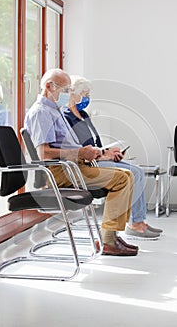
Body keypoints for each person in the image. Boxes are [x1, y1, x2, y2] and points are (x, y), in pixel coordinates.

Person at [24, 68, 138, 256]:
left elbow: (68, 148)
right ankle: (108, 239)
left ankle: (111, 236)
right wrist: (80, 152)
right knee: (122, 179)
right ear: (49, 86)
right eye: (65, 89)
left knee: (126, 174)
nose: (68, 95)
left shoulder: (54, 111)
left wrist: (94, 153)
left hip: (73, 166)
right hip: (61, 172)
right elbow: (43, 152)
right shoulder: (41, 112)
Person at [63, 75, 163, 239]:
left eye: (88, 95)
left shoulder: (84, 115)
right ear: (73, 93)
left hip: (98, 159)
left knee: (136, 169)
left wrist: (108, 153)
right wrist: (101, 156)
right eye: (85, 94)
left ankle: (138, 221)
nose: (87, 98)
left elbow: (95, 142)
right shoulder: (66, 118)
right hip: (87, 165)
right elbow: (77, 150)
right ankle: (135, 224)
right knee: (135, 173)